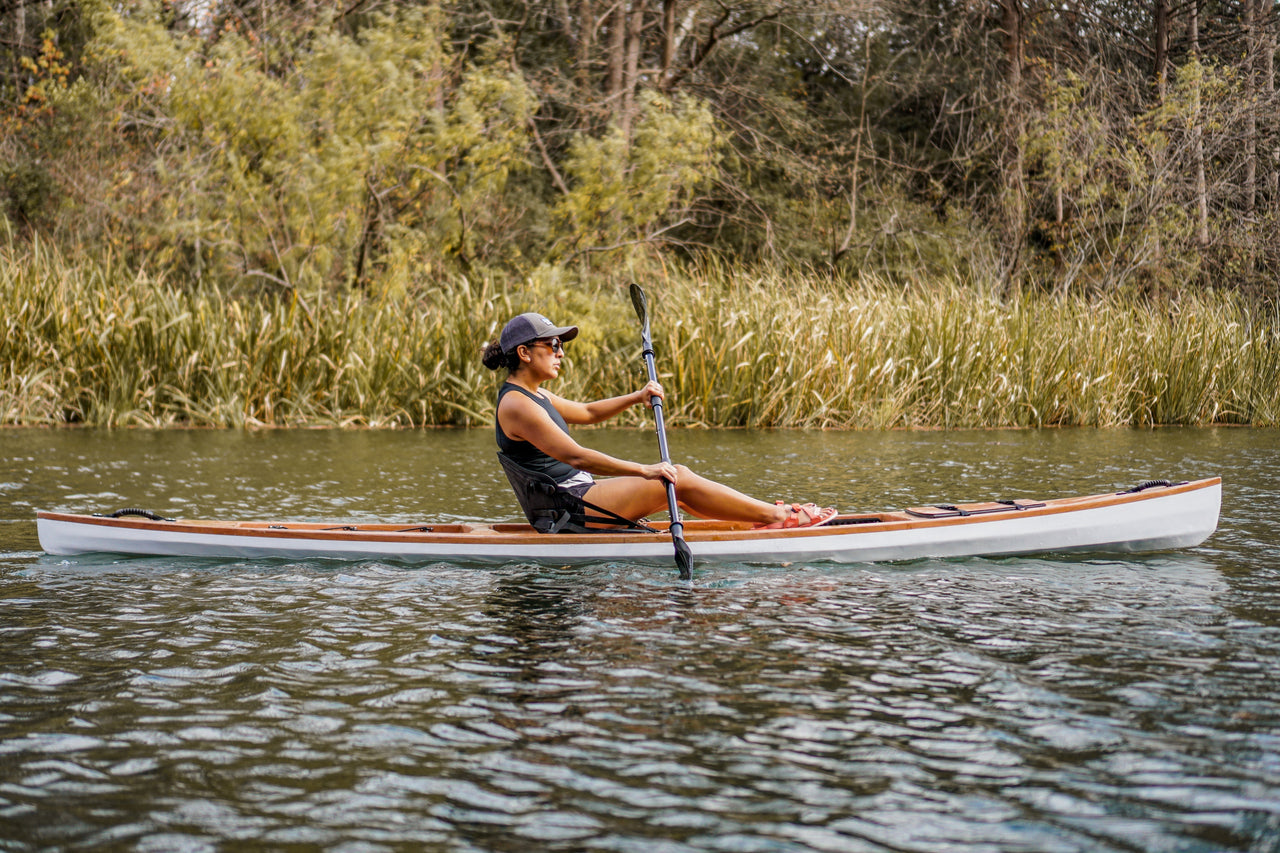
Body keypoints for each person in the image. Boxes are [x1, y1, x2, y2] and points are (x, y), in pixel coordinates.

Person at [481, 312, 836, 530]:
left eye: (561, 345)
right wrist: (644, 470)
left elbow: (588, 412)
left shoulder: (536, 394)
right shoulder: (517, 404)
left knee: (676, 485)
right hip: (570, 508)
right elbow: (577, 457)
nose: (561, 353)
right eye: (553, 344)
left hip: (577, 498)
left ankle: (762, 519)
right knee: (673, 476)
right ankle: (779, 518)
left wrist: (636, 397)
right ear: (525, 353)